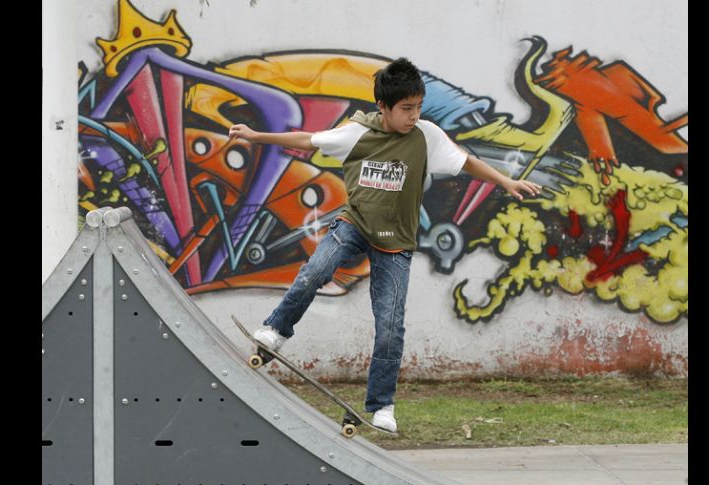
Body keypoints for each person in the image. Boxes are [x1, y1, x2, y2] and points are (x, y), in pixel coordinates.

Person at [228, 57, 541, 432]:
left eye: (418, 107)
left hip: (396, 242)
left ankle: (381, 406)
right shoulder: (357, 132)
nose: (414, 116)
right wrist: (255, 136)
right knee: (316, 270)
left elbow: (467, 162)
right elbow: (307, 140)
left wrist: (506, 182)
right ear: (383, 107)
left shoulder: (426, 136)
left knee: (390, 324)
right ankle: (277, 330)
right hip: (355, 223)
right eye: (406, 109)